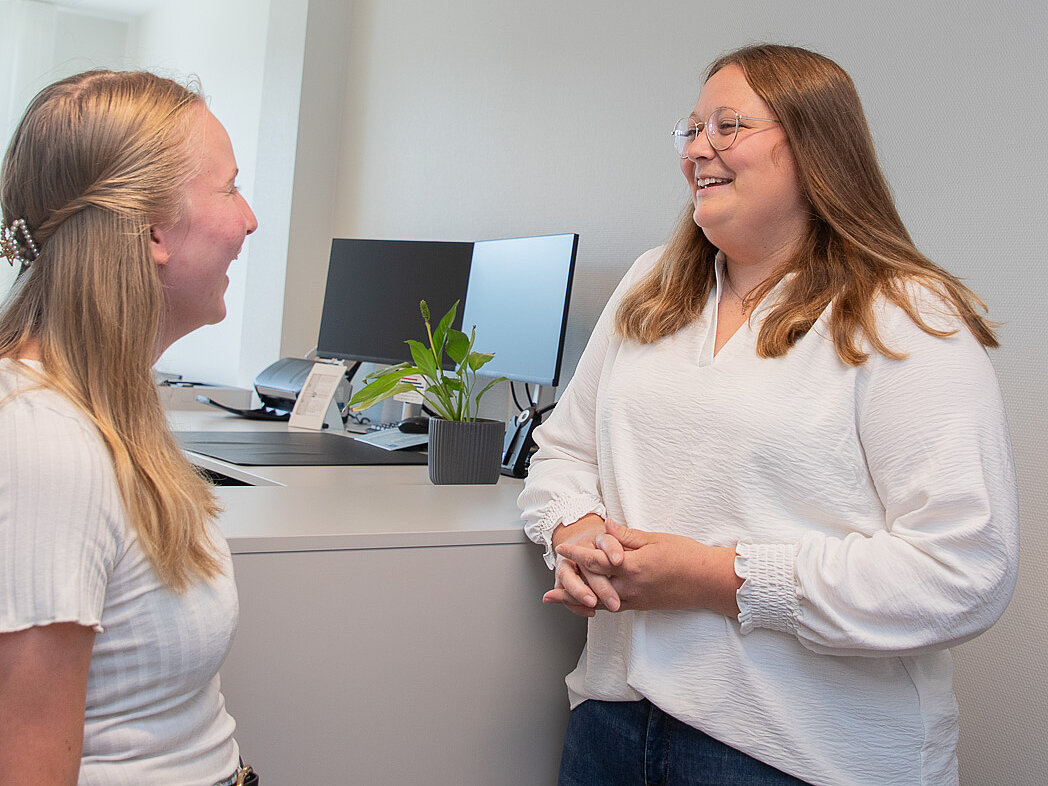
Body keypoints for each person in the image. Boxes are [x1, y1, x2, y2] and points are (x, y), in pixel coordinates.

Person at [519, 43, 1018, 786]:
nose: (698, 150)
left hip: (794, 752)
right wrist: (577, 530)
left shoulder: (901, 312)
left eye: (728, 126)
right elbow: (562, 453)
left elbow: (962, 570)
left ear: (816, 144)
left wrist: (718, 578)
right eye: (691, 130)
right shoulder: (652, 283)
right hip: (613, 722)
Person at [0, 70, 258, 785]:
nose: (250, 219)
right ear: (150, 230)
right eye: (231, 187)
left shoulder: (103, 410)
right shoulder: (42, 442)